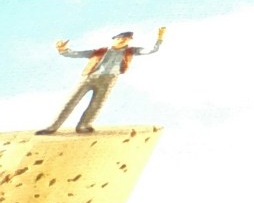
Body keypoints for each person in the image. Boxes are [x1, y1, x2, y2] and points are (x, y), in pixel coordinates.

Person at [37, 27, 167, 135]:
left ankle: (83, 126)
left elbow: (152, 50)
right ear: (114, 39)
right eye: (120, 38)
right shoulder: (100, 51)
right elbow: (76, 54)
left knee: (97, 104)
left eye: (126, 39)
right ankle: (53, 127)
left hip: (109, 80)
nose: (123, 40)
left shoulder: (131, 51)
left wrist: (160, 38)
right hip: (89, 77)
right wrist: (63, 49)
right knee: (71, 101)